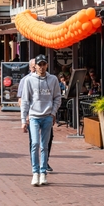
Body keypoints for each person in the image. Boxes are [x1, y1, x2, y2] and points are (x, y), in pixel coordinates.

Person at [21, 55, 61, 186]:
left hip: (47, 116)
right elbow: (25, 100)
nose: (41, 67)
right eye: (39, 65)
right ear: (35, 66)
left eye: (44, 64)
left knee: (44, 145)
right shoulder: (29, 80)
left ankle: (43, 172)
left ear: (47, 65)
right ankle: (35, 172)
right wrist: (23, 119)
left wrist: (53, 113)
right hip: (34, 117)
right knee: (35, 144)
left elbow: (57, 97)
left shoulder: (53, 79)